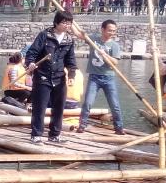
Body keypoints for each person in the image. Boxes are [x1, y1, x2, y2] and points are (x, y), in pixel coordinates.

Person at [25, 10, 77, 144]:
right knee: (40, 107)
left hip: (59, 78)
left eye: (69, 23)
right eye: (64, 22)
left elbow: (71, 60)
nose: (67, 25)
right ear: (56, 22)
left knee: (59, 107)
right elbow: (32, 53)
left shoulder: (69, 40)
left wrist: (71, 74)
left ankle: (54, 135)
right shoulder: (45, 35)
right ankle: (36, 135)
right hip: (43, 76)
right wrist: (30, 63)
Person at [76, 19, 124, 134]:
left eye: (114, 31)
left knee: (115, 105)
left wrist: (105, 55)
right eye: (109, 30)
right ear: (102, 29)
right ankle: (82, 126)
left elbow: (115, 62)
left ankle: (119, 128)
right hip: (94, 77)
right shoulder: (94, 39)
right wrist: (70, 21)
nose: (112, 33)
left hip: (109, 78)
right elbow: (78, 34)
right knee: (88, 103)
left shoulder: (114, 45)